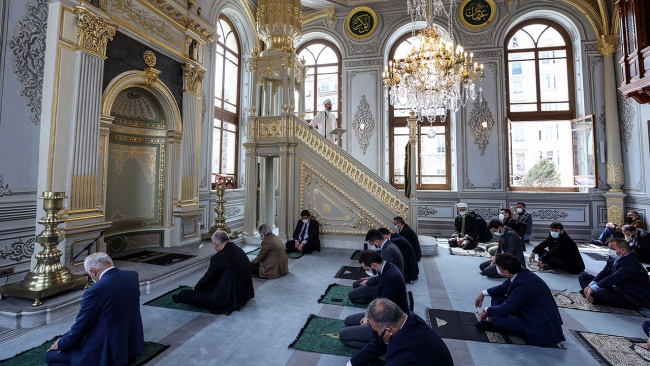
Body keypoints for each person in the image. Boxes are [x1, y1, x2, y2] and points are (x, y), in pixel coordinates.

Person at [45, 252, 144, 366]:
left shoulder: (94, 291)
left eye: (89, 274)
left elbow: (81, 327)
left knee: (51, 356)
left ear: (93, 271)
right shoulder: (131, 276)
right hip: (131, 346)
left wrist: (61, 343)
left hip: (108, 352)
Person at [474, 253, 565, 348]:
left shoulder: (524, 286)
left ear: (506, 272)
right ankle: (497, 320)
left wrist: (487, 310)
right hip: (527, 311)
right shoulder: (519, 271)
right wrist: (483, 293)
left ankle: (493, 321)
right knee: (497, 297)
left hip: (537, 324)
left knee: (497, 319)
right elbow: (503, 287)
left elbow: (505, 309)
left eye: (498, 267)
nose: (496, 268)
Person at [346, 298, 454, 366]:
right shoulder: (408, 319)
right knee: (363, 361)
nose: (378, 336)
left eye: (378, 332)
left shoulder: (405, 354)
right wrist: (350, 363)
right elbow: (380, 343)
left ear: (389, 330)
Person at [339, 250, 408, 350]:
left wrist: (369, 319)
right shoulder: (387, 267)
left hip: (388, 322)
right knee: (348, 321)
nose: (367, 271)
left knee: (343, 336)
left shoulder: (390, 278)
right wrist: (368, 315)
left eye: (367, 269)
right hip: (381, 312)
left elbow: (385, 310)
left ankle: (384, 344)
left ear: (374, 265)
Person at [173, 231, 254, 314]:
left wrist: (196, 288)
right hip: (244, 294)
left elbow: (208, 276)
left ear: (215, 243)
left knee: (184, 294)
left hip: (228, 297)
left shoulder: (219, 257)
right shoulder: (238, 249)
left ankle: (182, 296)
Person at [579, 238, 650, 309]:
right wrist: (590, 286)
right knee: (583, 276)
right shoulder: (614, 257)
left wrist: (593, 288)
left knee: (601, 292)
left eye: (612, 248)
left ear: (623, 250)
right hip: (616, 287)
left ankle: (593, 296)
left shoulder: (631, 264)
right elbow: (604, 273)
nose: (610, 251)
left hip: (630, 295)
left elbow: (613, 278)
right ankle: (591, 295)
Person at [349, 229, 404, 305]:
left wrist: (370, 281)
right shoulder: (389, 246)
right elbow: (383, 272)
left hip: (384, 285)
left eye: (371, 244)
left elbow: (384, 276)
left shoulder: (386, 252)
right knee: (356, 285)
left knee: (352, 295)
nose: (372, 246)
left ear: (376, 241)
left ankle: (374, 299)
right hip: (384, 280)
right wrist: (371, 279)